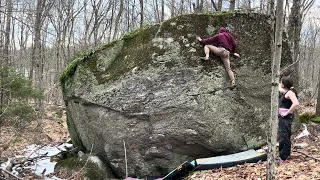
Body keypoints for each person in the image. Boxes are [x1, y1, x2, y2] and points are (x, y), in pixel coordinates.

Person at [278, 76, 299, 162]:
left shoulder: (290, 93)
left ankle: (284, 157)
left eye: (281, 82)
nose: (280, 83)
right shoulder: (286, 92)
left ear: (284, 84)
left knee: (284, 136)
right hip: (283, 117)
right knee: (283, 135)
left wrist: (287, 112)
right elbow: (280, 89)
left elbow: (296, 104)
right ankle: (283, 155)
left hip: (286, 117)